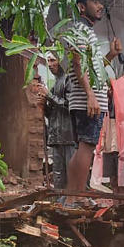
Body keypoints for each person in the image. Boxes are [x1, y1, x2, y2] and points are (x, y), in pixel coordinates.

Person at [63, 0, 121, 201]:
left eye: (100, 1)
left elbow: (94, 68)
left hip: (88, 98)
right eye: (94, 1)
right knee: (86, 146)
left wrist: (111, 55)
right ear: (81, 6)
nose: (100, 6)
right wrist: (90, 95)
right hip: (87, 100)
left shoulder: (85, 31)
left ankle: (74, 195)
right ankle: (74, 197)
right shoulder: (79, 29)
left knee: (83, 147)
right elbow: (77, 64)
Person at [44, 53, 75, 190]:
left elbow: (70, 105)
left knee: (72, 174)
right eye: (48, 61)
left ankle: (74, 203)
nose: (50, 64)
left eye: (53, 60)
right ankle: (59, 206)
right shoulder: (55, 83)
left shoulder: (69, 80)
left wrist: (49, 96)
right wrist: (43, 105)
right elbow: (51, 114)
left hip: (69, 136)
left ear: (61, 61)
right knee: (58, 176)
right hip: (56, 137)